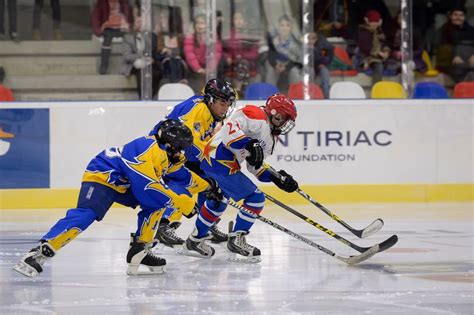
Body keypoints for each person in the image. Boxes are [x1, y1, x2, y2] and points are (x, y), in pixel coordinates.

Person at [12, 119, 219, 277]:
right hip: (103, 176)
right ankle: (38, 252)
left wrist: (208, 185)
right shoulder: (145, 149)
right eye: (180, 147)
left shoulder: (169, 155)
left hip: (125, 183)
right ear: (169, 144)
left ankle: (139, 251)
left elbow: (182, 175)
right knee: (87, 214)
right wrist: (182, 202)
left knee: (155, 206)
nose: (182, 152)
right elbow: (147, 187)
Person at [181, 93, 299, 262]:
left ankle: (194, 240)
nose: (286, 123)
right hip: (218, 159)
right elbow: (230, 129)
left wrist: (276, 178)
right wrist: (247, 143)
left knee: (218, 202)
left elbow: (254, 166)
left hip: (221, 163)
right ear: (274, 112)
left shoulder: (271, 139)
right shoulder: (256, 115)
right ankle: (237, 239)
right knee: (255, 198)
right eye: (284, 118)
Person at [150, 78, 236, 249]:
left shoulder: (209, 111)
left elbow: (199, 144)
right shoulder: (199, 109)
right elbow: (187, 141)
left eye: (228, 103)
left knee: (212, 183)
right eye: (222, 102)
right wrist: (210, 164)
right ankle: (164, 224)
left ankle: (206, 226)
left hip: (176, 153)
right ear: (211, 99)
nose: (226, 107)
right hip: (163, 153)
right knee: (187, 182)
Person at [121, 15, 160, 99]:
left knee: (157, 73)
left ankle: (152, 97)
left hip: (147, 62)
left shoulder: (148, 36)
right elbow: (127, 56)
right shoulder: (128, 38)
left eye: (142, 22)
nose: (140, 24)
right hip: (133, 64)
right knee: (142, 73)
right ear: (134, 24)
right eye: (138, 22)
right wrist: (141, 54)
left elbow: (152, 51)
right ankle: (142, 98)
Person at [91, 0, 133, 75]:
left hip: (121, 27)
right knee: (106, 41)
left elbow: (130, 17)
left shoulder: (124, 2)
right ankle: (104, 66)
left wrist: (129, 26)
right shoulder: (102, 2)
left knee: (128, 41)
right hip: (108, 28)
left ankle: (127, 67)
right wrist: (98, 31)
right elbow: (96, 17)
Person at [434, 5, 474, 82]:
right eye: (455, 15)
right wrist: (454, 56)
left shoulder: (471, 30)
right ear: (450, 16)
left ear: (464, 17)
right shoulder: (444, 30)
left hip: (470, 60)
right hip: (451, 61)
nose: (458, 17)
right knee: (459, 68)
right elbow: (443, 49)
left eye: (461, 15)